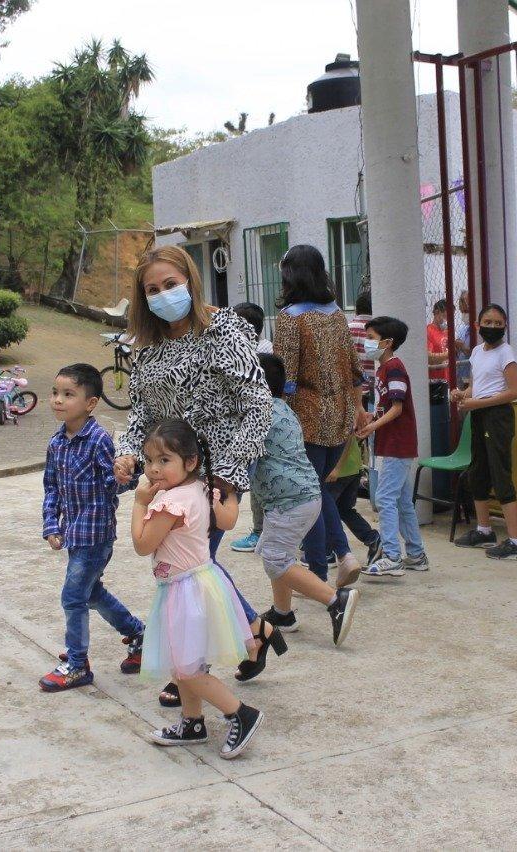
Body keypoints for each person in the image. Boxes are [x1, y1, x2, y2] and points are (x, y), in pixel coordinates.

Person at [113, 245, 278, 701]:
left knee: (188, 569)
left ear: (190, 280)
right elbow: (140, 416)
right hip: (171, 475)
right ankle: (253, 630)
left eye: (171, 284)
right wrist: (128, 454)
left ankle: (190, 670)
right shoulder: (147, 350)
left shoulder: (224, 329)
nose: (163, 295)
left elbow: (258, 404)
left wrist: (227, 471)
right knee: (193, 565)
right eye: (152, 290)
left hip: (215, 475)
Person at [134, 419, 264, 759]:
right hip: (203, 583)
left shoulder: (168, 503)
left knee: (187, 669)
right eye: (149, 460)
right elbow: (228, 521)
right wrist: (228, 494)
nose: (154, 469)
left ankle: (241, 713)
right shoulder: (201, 490)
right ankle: (192, 722)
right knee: (187, 664)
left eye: (164, 461)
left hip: (184, 591)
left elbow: (143, 545)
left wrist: (138, 504)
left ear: (190, 462)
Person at [39, 364, 146, 691]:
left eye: (68, 394)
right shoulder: (57, 442)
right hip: (74, 533)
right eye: (55, 393)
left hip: (96, 535)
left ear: (91, 403)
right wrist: (50, 524)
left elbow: (111, 484)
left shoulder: (99, 440)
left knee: (73, 596)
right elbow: (51, 487)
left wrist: (126, 476)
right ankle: (141, 636)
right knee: (90, 593)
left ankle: (77, 664)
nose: (58, 400)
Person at [251, 353, 361, 640]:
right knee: (278, 553)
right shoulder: (282, 408)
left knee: (275, 558)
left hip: (289, 500)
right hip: (303, 496)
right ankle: (283, 613)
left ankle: (334, 600)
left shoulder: (258, 414)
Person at [272, 245, 365, 584]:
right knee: (318, 490)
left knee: (310, 494)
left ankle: (333, 561)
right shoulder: (338, 314)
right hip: (339, 418)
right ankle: (333, 560)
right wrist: (357, 409)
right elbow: (355, 370)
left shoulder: (290, 318)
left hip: (306, 419)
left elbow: (285, 376)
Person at [452, 303, 517, 561]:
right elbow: (477, 386)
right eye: (488, 322)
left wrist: (478, 403)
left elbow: (514, 391)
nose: (493, 327)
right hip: (479, 415)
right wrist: (462, 394)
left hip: (497, 417)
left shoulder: (506, 353)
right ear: (478, 325)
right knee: (478, 472)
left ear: (505, 326)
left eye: (499, 323)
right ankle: (484, 530)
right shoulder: (476, 351)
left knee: (500, 474)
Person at [356, 316, 428, 577]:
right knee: (402, 501)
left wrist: (372, 427)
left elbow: (397, 408)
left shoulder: (394, 368)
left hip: (398, 444)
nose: (367, 343)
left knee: (385, 498)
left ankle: (392, 557)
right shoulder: (384, 369)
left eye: (372, 338)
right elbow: (386, 408)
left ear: (388, 342)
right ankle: (416, 554)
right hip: (395, 444)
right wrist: (370, 421)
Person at [230, 301, 271, 555]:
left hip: (255, 429)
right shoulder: (259, 349)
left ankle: (259, 532)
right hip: (256, 427)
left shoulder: (254, 354)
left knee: (255, 484)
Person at [326, 433, 383, 566]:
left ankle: (327, 552)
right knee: (344, 509)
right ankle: (372, 538)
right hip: (353, 466)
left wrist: (336, 468)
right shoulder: (351, 412)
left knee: (326, 510)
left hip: (337, 469)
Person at [349, 290, 376, 393]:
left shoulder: (347, 329)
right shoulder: (378, 330)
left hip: (353, 390)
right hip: (373, 389)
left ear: (356, 309)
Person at [426, 298, 453, 387]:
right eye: (446, 317)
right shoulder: (428, 331)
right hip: (436, 380)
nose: (448, 320)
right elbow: (428, 357)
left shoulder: (447, 331)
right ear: (437, 312)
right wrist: (449, 354)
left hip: (449, 377)